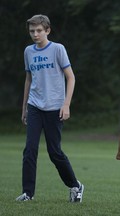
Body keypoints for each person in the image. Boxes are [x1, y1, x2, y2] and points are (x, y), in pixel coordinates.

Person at [16, 14, 84, 202]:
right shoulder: (28, 51)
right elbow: (29, 80)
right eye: (32, 31)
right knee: (30, 149)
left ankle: (75, 186)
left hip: (55, 107)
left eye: (39, 30)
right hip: (35, 106)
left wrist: (66, 104)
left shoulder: (57, 49)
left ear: (47, 30)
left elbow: (71, 77)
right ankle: (28, 193)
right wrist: (24, 108)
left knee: (55, 152)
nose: (35, 34)